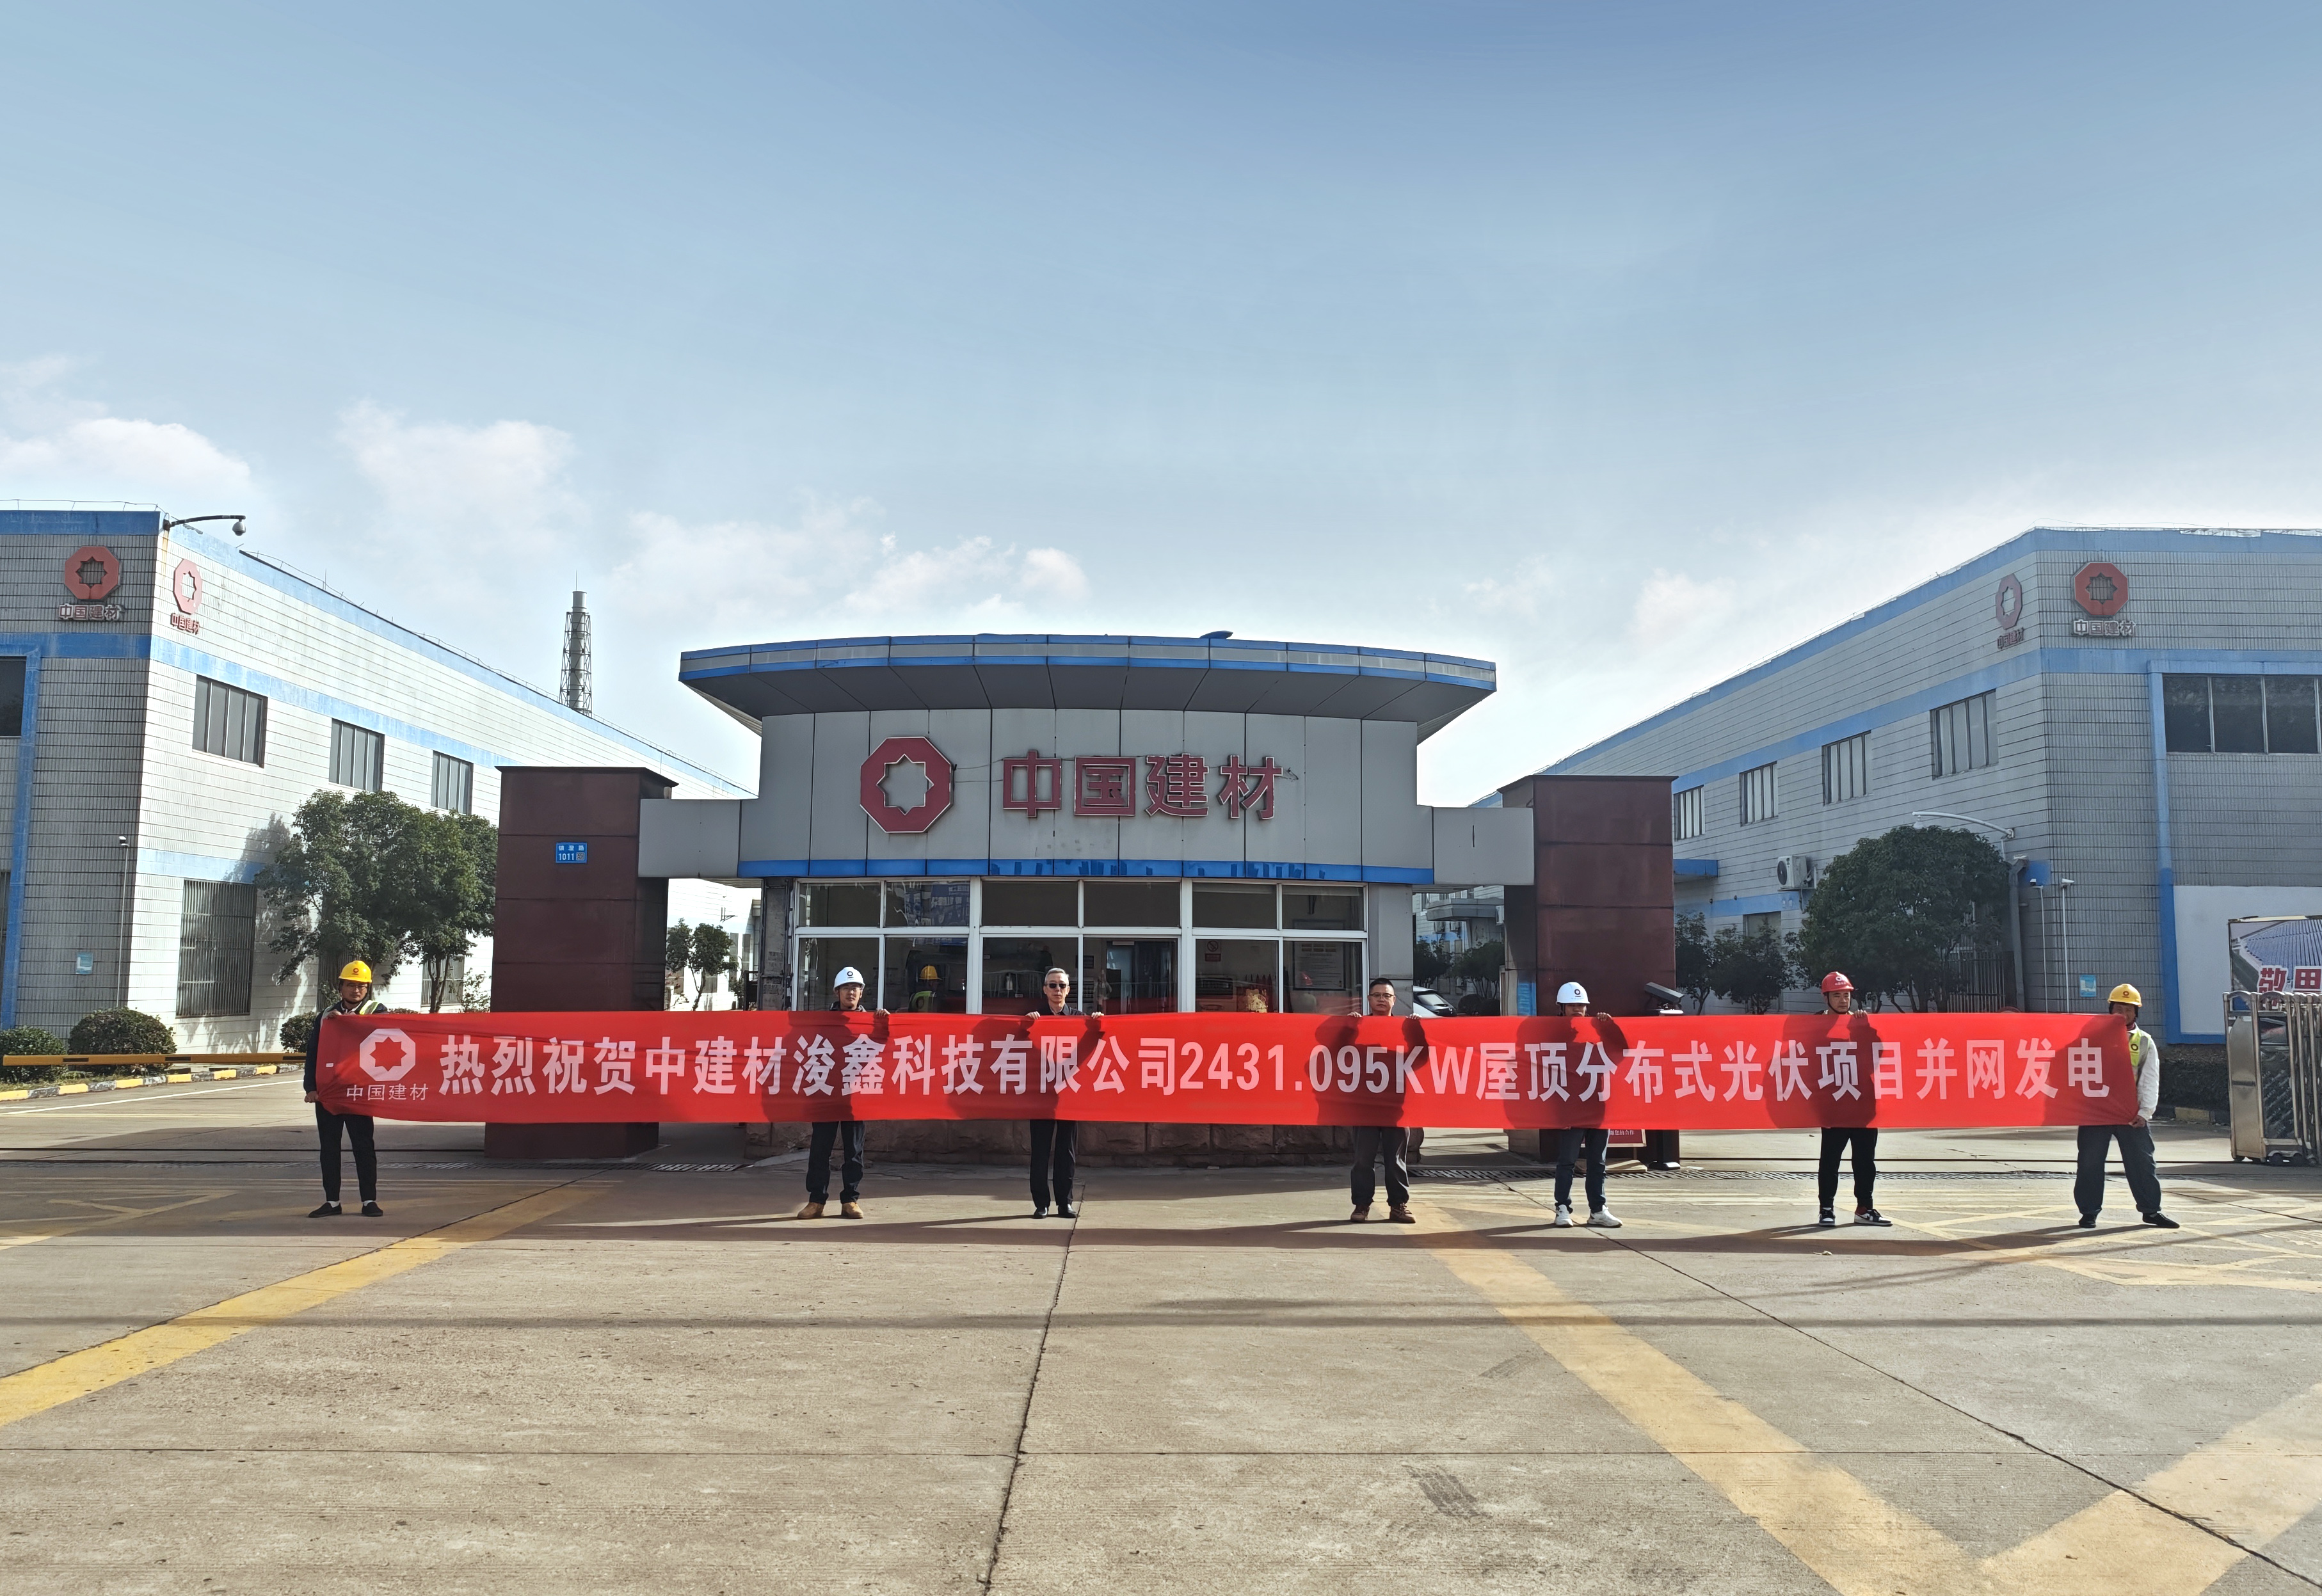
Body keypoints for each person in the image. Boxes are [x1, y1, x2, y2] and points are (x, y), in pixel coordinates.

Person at [2076, 984, 2178, 1230]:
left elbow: (2150, 1079)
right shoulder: (2091, 1037)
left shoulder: (2144, 1042)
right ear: (2110, 1009)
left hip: (2131, 1114)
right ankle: (2089, 1212)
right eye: (2118, 1008)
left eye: (2129, 1009)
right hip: (2096, 1112)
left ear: (2136, 1013)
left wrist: (2145, 1112)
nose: (2123, 1014)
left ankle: (2151, 1211)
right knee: (2089, 1163)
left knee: (2142, 1163)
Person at [302, 960, 386, 1218]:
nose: (356, 990)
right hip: (329, 1092)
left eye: (361, 986)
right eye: (351, 985)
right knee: (329, 1148)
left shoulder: (377, 1011)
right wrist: (311, 1087)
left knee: (364, 1147)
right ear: (340, 987)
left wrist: (348, 1022)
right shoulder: (326, 1015)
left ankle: (369, 1201)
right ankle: (332, 1202)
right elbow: (314, 1053)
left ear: (368, 988)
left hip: (359, 1091)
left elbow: (380, 1035)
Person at [799, 968, 879, 1220]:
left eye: (855, 988)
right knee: (820, 1150)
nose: (851, 992)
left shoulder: (872, 1022)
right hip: (826, 1093)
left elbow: (886, 1047)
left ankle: (850, 1200)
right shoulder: (823, 1022)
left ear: (861, 993)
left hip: (855, 1096)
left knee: (854, 1151)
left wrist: (885, 1024)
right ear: (837, 992)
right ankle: (816, 1200)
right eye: (846, 988)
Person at [1816, 972, 1889, 1227]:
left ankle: (1865, 1208)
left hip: (1863, 1104)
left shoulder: (1860, 1023)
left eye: (1846, 995)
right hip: (1833, 1106)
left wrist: (1865, 1029)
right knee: (1830, 1160)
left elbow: (1877, 1058)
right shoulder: (1813, 1025)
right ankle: (1826, 1209)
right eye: (1837, 995)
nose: (1843, 1000)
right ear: (1826, 998)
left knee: (1865, 1161)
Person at [1550, 982, 1621, 1229]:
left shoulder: (1596, 1029)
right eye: (1572, 1005)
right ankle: (1562, 1208)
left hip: (1597, 1103)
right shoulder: (1552, 1033)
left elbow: (1622, 1050)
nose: (1577, 1009)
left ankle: (1598, 1210)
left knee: (1597, 1163)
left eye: (1581, 1005)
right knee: (1567, 1161)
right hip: (1570, 1106)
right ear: (1561, 1007)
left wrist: (1608, 1028)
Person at [1350, 977, 1415, 1223]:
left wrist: (1416, 1031)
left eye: (1386, 996)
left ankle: (1398, 1206)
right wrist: (1349, 1029)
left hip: (1395, 1106)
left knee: (1395, 1160)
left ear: (1394, 1000)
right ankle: (1362, 1206)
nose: (1381, 999)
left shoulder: (1404, 1027)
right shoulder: (1359, 1026)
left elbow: (1422, 1057)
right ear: (1369, 999)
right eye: (1376, 995)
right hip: (1365, 1105)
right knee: (1362, 1160)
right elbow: (1337, 1053)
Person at [1025, 967, 1084, 1218]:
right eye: (1052, 985)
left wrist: (1099, 1020)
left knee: (1066, 1151)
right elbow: (1014, 1042)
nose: (1057, 990)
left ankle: (1065, 1202)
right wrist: (1026, 1025)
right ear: (1045, 989)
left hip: (1068, 1094)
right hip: (1041, 1093)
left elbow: (1097, 1038)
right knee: (1040, 1150)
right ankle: (1041, 1203)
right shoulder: (1035, 1018)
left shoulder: (1080, 1018)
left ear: (1068, 990)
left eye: (1061, 985)